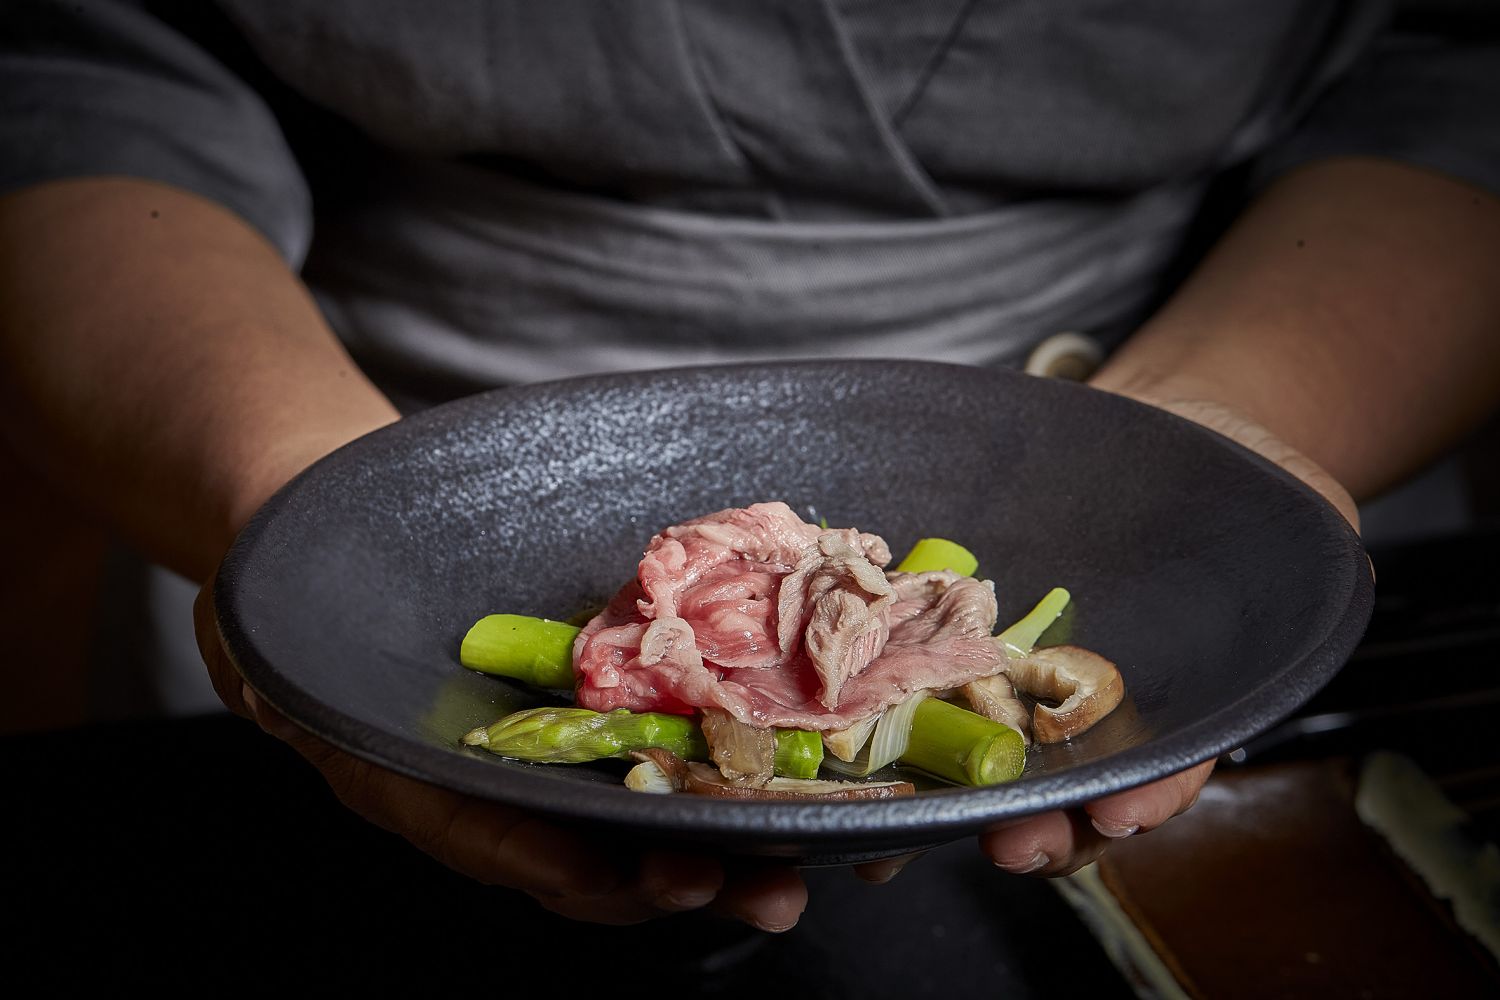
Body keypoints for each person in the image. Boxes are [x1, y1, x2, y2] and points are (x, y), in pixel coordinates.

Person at [2, 1, 1497, 932]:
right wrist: (328, 514)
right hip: (338, 397)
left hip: (1226, 359)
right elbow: (72, 77)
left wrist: (1190, 456)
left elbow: (1454, 69)